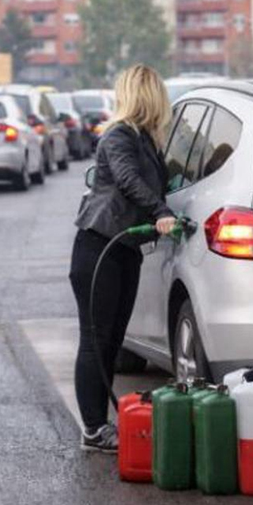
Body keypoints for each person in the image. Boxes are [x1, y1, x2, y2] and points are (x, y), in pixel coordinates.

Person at [69, 64, 176, 453]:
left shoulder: (146, 139)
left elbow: (152, 180)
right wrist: (161, 212)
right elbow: (129, 181)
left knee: (113, 342)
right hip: (99, 249)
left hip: (125, 250)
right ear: (149, 96)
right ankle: (94, 429)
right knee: (96, 341)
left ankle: (101, 424)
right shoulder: (118, 136)